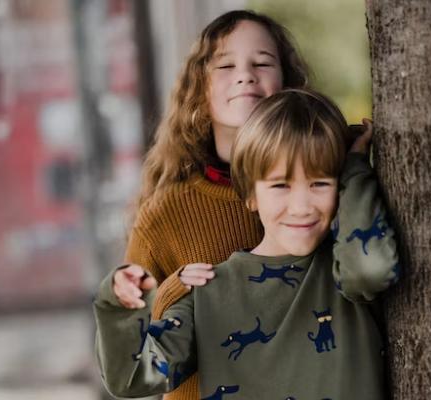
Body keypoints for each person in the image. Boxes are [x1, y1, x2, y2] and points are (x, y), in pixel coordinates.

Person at [94, 89, 399, 399]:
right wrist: (117, 304)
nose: (302, 206)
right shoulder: (207, 294)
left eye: (320, 183)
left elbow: (372, 268)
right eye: (281, 185)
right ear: (251, 194)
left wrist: (357, 168)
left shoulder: (343, 269)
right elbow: (132, 378)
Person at [116, 10, 308, 399]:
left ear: (286, 82)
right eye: (225, 64)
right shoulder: (165, 214)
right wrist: (175, 292)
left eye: (263, 62)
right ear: (199, 89)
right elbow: (131, 351)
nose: (246, 74)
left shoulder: (317, 191)